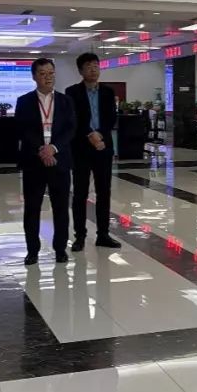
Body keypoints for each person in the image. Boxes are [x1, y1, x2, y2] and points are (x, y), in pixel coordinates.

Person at [15, 58, 76, 265]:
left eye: (51, 73)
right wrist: (41, 149)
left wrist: (53, 148)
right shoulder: (24, 101)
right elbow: (22, 129)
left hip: (60, 160)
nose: (48, 77)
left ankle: (60, 248)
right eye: (42, 73)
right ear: (34, 76)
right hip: (34, 161)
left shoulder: (66, 101)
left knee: (61, 208)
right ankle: (32, 250)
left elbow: (70, 129)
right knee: (32, 208)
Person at [65, 53, 120, 251]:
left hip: (103, 147)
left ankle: (103, 234)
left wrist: (100, 135)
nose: (93, 70)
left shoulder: (107, 91)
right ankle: (80, 236)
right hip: (81, 148)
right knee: (80, 193)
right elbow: (73, 119)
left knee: (104, 192)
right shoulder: (72, 92)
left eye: (96, 66)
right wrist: (90, 134)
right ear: (81, 70)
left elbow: (111, 118)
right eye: (88, 66)